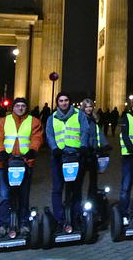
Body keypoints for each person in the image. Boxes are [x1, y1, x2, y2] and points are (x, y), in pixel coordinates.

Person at [0, 97, 43, 236]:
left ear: (27, 108)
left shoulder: (34, 121)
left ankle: (24, 223)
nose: (20, 108)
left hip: (25, 163)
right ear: (13, 108)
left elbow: (36, 138)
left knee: (23, 195)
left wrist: (33, 150)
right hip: (5, 163)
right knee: (5, 194)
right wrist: (0, 151)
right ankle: (3, 224)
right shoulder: (3, 121)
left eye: (23, 106)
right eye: (17, 106)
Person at [46, 92, 90, 229]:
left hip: (76, 155)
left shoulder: (79, 114)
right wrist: (54, 148)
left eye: (66, 100)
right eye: (61, 100)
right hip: (59, 157)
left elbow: (85, 131)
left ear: (69, 102)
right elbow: (49, 134)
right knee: (57, 188)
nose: (64, 103)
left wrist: (83, 145)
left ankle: (75, 216)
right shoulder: (51, 118)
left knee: (76, 188)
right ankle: (59, 218)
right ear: (57, 103)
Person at [79, 98, 110, 204]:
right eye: (86, 106)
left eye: (90, 106)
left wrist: (105, 144)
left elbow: (99, 133)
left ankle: (91, 200)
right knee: (79, 179)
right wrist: (83, 147)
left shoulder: (93, 119)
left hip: (93, 152)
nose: (89, 108)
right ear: (83, 108)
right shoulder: (79, 119)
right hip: (83, 152)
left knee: (94, 179)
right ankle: (77, 202)